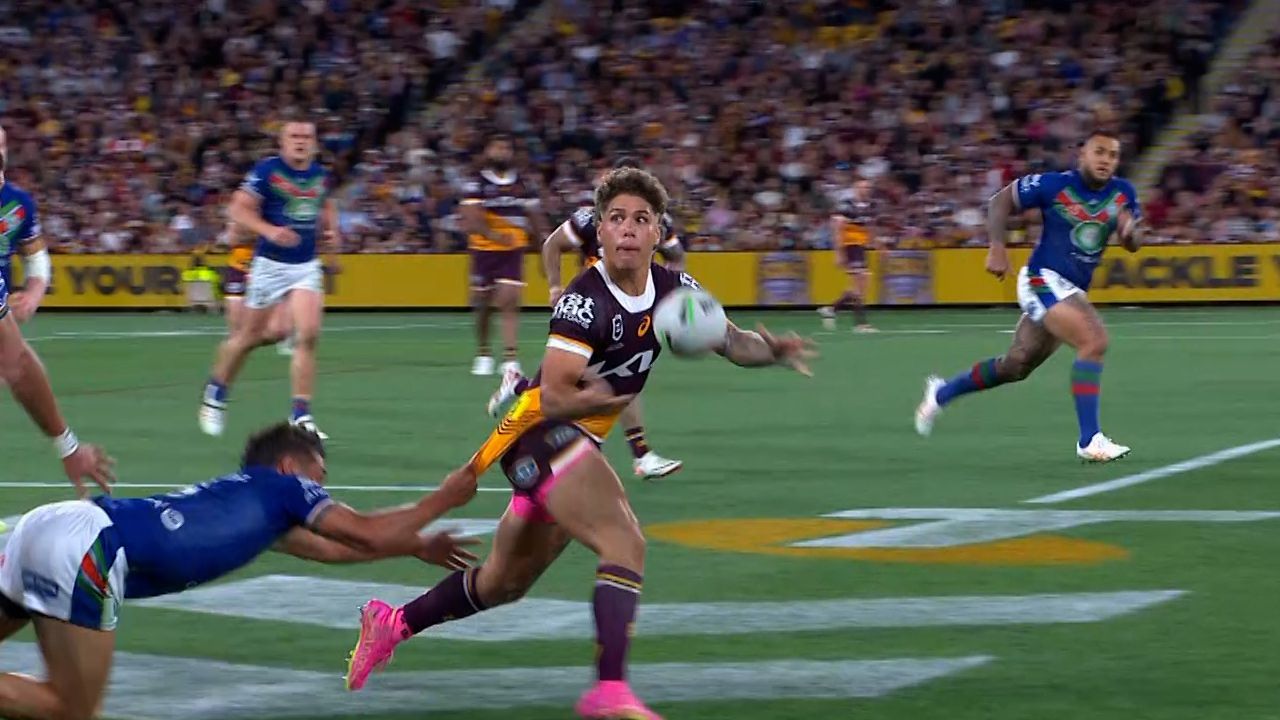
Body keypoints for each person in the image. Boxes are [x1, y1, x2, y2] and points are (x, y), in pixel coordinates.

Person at [345, 168, 816, 719]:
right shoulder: (583, 300)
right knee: (624, 541)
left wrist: (774, 351)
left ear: (659, 231)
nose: (627, 230)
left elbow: (731, 340)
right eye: (616, 218)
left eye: (641, 219)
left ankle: (391, 623)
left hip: (572, 443)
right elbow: (556, 397)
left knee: (503, 583)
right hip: (538, 435)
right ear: (600, 231)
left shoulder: (676, 291)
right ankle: (609, 691)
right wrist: (606, 401)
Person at [0, 422, 478, 720]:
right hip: (91, 548)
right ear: (292, 466)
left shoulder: (254, 507)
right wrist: (444, 498)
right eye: (321, 477)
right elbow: (365, 532)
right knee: (73, 708)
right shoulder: (284, 488)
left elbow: (337, 549)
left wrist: (416, 545)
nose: (324, 489)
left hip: (49, 525)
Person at [915, 129, 1142, 462]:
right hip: (1042, 279)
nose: (1106, 160)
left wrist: (1129, 232)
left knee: (1016, 365)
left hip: (1070, 289)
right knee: (1094, 341)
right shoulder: (1053, 185)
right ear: (1082, 155)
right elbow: (1000, 201)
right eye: (1099, 152)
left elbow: (1133, 244)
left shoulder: (1124, 194)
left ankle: (941, 393)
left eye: (1112, 155)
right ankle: (1090, 439)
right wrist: (996, 247)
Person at [523, 157, 686, 480]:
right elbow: (553, 244)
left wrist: (671, 296)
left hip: (626, 309)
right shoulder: (589, 218)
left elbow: (677, 255)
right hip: (590, 312)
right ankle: (635, 455)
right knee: (577, 386)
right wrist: (555, 286)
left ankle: (641, 454)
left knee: (619, 379)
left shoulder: (655, 220)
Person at [199, 120, 339, 439]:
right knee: (248, 337)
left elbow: (327, 204)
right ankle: (215, 393)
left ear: (315, 142)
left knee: (308, 334)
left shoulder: (320, 175)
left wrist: (332, 233)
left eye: (306, 136)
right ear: (282, 142)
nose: (300, 141)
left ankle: (300, 415)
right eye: (294, 136)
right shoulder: (266, 171)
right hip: (270, 265)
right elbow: (238, 209)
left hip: (305, 264)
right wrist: (270, 231)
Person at [0, 123, 114, 496]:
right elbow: (15, 365)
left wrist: (32, 295)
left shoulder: (19, 206)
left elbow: (17, 365)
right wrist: (67, 445)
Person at [462, 134, 543, 376]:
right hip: (483, 251)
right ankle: (484, 351)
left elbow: (534, 216)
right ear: (488, 151)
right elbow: (471, 217)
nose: (502, 151)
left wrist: (542, 247)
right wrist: (493, 235)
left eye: (506, 147)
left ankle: (510, 356)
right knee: (483, 304)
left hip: (513, 250)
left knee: (509, 300)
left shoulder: (524, 183)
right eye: (497, 147)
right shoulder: (475, 183)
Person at [818, 178, 877, 333]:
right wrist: (839, 253)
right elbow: (837, 229)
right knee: (860, 283)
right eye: (863, 187)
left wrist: (872, 242)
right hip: (850, 247)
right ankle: (860, 324)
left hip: (860, 247)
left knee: (860, 285)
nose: (866, 190)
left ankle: (832, 309)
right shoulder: (846, 206)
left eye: (868, 187)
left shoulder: (869, 206)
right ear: (855, 188)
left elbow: (867, 227)